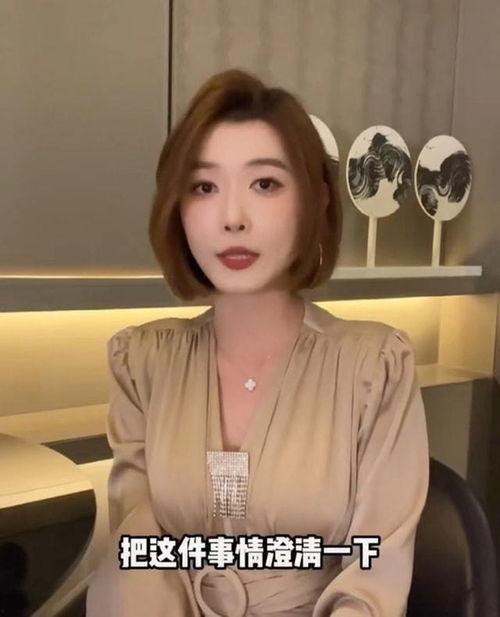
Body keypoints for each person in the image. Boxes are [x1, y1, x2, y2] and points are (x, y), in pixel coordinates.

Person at [86, 68, 429, 616]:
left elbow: (373, 579)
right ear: (177, 208)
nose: (232, 218)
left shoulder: (374, 367)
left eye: (264, 184)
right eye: (204, 187)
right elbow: (137, 557)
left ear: (315, 200)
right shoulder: (144, 362)